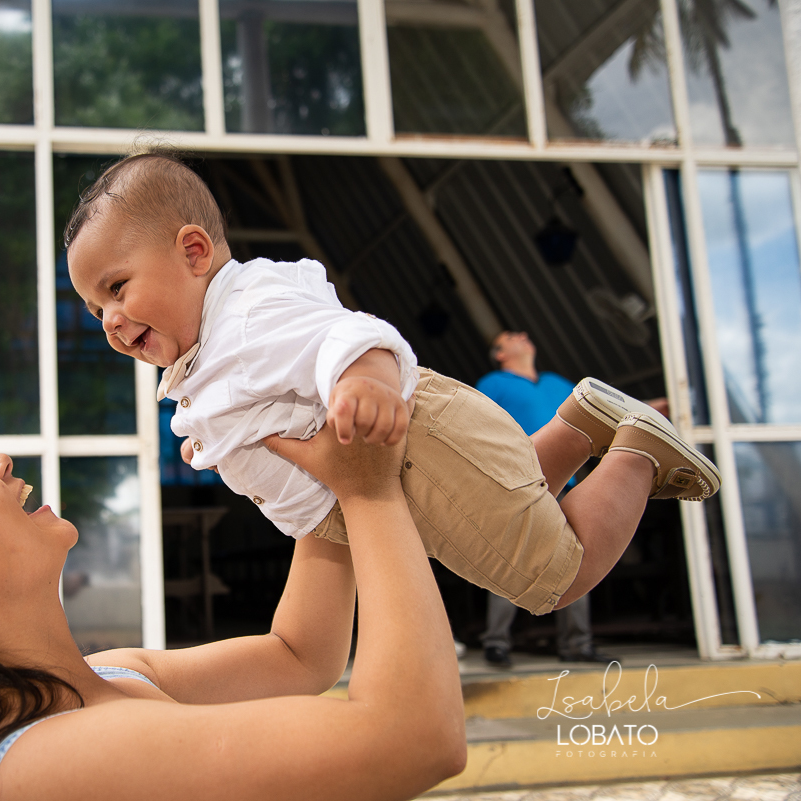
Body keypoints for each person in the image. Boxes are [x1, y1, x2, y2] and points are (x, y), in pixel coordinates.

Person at [65, 150, 720, 618]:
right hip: (410, 466)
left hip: (415, 447)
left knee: (556, 575)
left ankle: (636, 446)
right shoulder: (207, 349)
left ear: (194, 251)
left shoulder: (245, 313)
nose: (112, 320)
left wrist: (365, 381)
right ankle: (581, 422)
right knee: (527, 496)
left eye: (117, 287)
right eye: (96, 309)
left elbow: (340, 335)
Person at [0, 427, 468, 800]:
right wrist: (370, 490)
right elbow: (416, 736)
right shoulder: (47, 764)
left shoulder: (113, 678)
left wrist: (318, 482)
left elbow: (298, 657)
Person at [476, 331, 645, 666]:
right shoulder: (493, 383)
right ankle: (496, 643)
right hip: (520, 480)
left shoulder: (558, 383)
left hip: (568, 484)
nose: (523, 336)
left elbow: (604, 413)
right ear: (500, 353)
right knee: (509, 557)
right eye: (511, 336)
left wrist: (650, 412)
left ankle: (577, 644)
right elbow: (480, 425)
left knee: (574, 556)